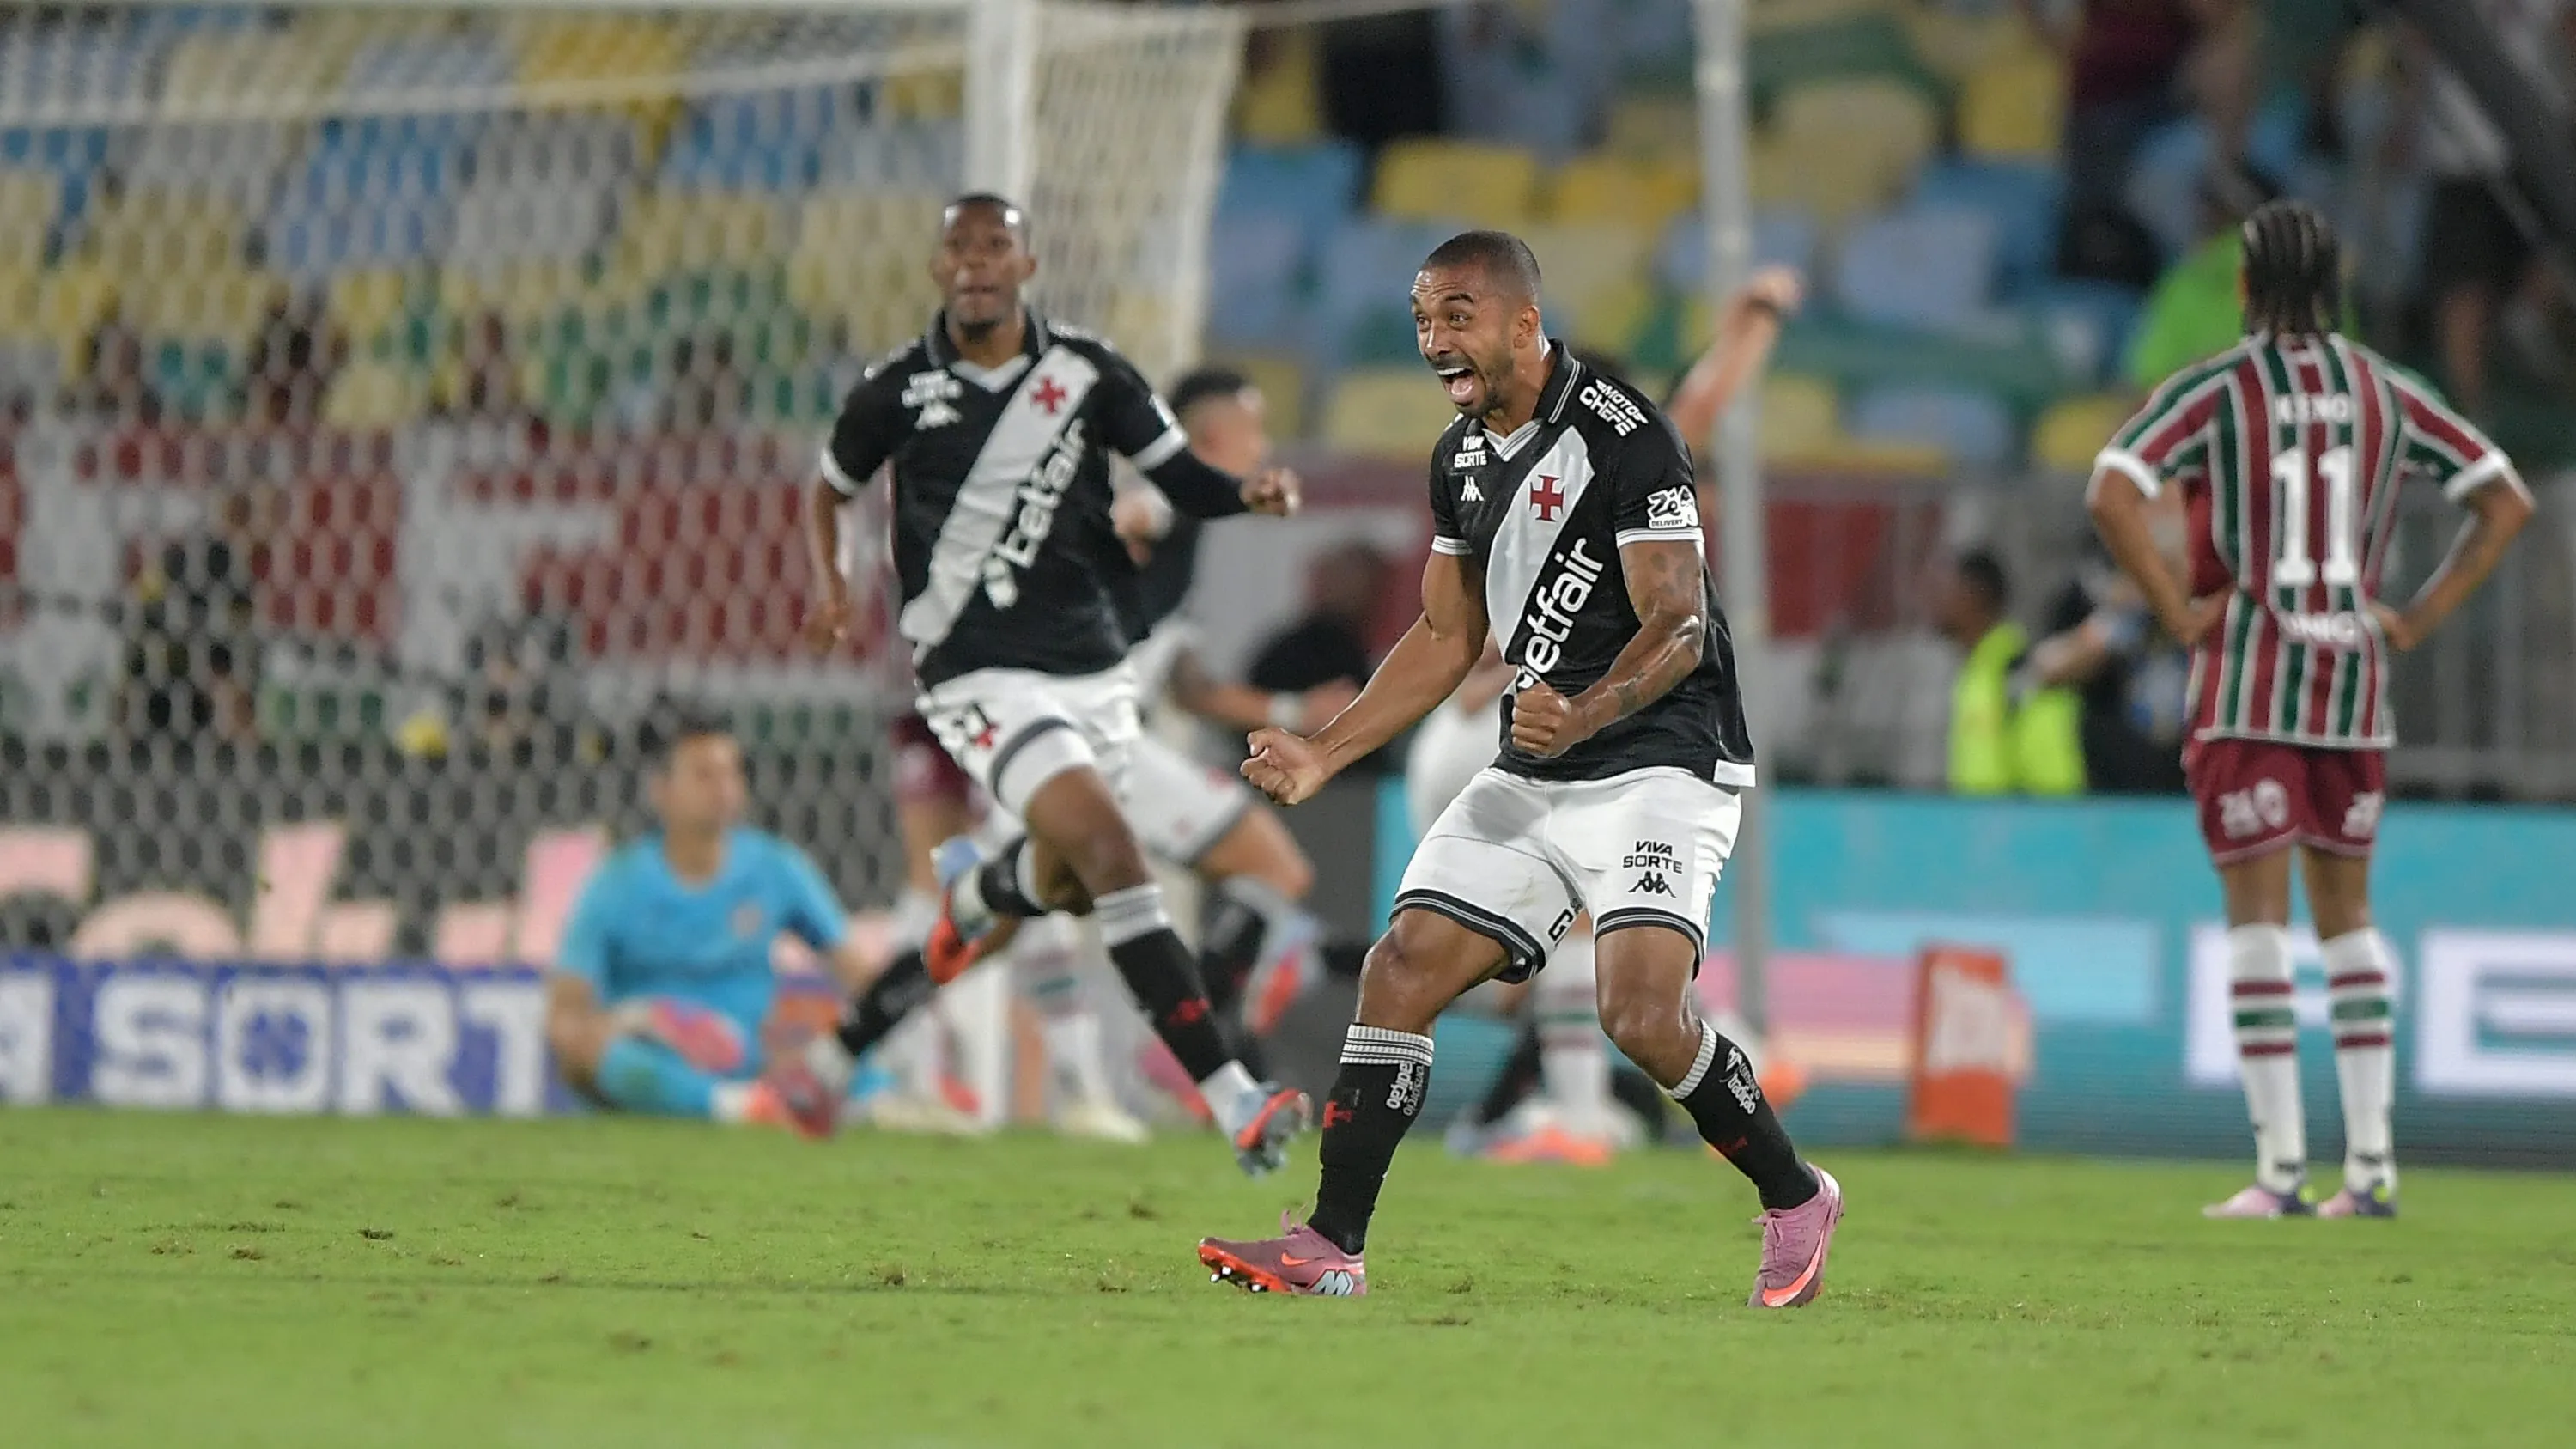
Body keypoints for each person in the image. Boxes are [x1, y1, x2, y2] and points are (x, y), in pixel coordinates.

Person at [1195, 230, 1843, 1304]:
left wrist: (1584, 711)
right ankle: (1330, 1244)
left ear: (1523, 323)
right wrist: (1325, 749)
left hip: (1661, 764)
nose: (1433, 338)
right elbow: (1446, 636)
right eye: (1421, 318)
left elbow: (1680, 626)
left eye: (1456, 314)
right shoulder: (1457, 457)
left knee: (1639, 1015)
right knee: (1401, 965)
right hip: (1537, 767)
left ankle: (1795, 1196)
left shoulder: (1626, 436)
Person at [800, 193, 1310, 1178]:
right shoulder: (898, 390)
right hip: (981, 675)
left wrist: (1244, 493)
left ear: (1028, 265)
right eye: (961, 246)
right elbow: (828, 483)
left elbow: (1180, 480)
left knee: (1063, 880)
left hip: (1095, 683)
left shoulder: (1090, 375)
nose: (978, 263)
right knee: (1122, 856)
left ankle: (977, 904)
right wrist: (829, 588)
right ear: (939, 265)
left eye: (998, 246)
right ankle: (1231, 1098)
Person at [2088, 200, 2534, 1218]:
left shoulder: (2216, 387)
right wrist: (2417, 618)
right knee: (2349, 919)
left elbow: (2113, 489)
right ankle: (2372, 1168)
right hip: (2355, 685)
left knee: (2257, 923)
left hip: (2249, 678)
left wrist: (2176, 611)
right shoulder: (2389, 389)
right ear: (2335, 289)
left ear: (2244, 288)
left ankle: (2280, 1170)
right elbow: (2506, 499)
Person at [545, 707, 863, 1137]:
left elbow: (856, 973)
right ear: (661, 791)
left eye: (732, 773)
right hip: (652, 1058)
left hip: (752, 1058)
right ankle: (735, 1106)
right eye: (704, 775)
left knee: (856, 1063)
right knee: (602, 1056)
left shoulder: (778, 868)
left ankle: (772, 1100)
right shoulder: (616, 883)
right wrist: (621, 1024)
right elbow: (564, 1013)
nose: (724, 788)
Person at [1935, 549, 2087, 796]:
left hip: (2015, 831)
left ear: (1976, 595)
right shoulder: (1975, 672)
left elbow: (2054, 782)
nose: (1936, 599)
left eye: (1945, 588)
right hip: (1975, 831)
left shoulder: (2021, 672)